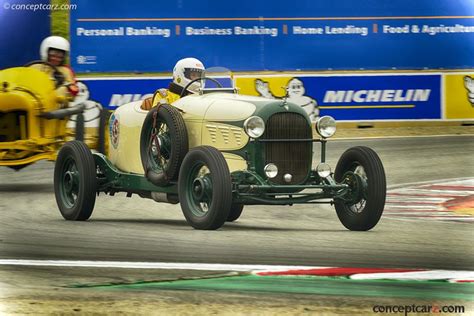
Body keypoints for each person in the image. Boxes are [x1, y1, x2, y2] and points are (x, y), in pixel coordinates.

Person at [30, 36, 79, 101]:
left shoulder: (66, 70)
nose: (56, 59)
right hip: (33, 100)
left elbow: (74, 91)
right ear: (45, 52)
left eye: (60, 57)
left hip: (56, 102)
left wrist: (63, 83)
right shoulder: (34, 67)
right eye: (53, 55)